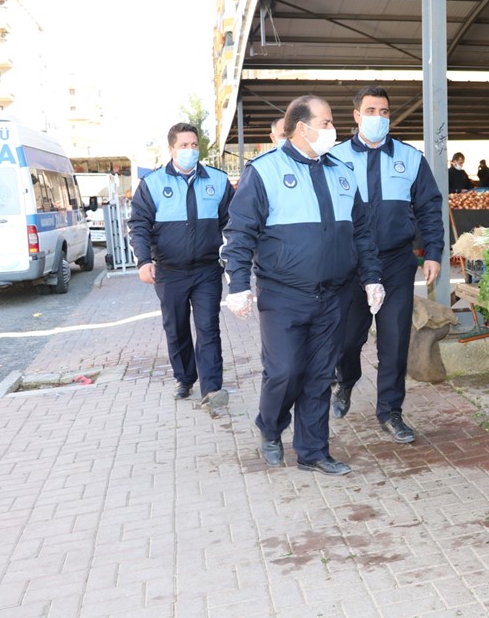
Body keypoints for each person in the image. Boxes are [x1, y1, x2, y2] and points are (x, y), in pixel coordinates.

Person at [221, 95, 383, 476]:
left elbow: (361, 231)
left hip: (334, 294)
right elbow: (240, 232)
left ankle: (313, 451)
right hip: (283, 295)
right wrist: (239, 285)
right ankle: (271, 429)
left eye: (331, 123)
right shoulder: (264, 171)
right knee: (285, 370)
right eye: (325, 123)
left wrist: (372, 276)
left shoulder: (342, 171)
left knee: (319, 375)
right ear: (300, 128)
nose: (333, 130)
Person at [329, 86, 445, 444]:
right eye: (371, 110)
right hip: (351, 265)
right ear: (356, 116)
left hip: (396, 262)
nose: (379, 117)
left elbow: (429, 207)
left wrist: (434, 253)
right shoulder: (334, 158)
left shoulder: (410, 158)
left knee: (394, 341)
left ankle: (390, 412)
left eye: (384, 111)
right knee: (347, 340)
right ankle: (346, 380)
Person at [129, 123, 234, 409]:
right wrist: (144, 260)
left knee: (208, 327)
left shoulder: (218, 181)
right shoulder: (152, 184)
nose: (190, 150)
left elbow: (232, 224)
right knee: (176, 328)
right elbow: (139, 225)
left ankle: (212, 389)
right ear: (171, 149)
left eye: (193, 145)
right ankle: (185, 378)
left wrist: (233, 258)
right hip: (169, 271)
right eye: (184, 145)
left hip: (206, 271)